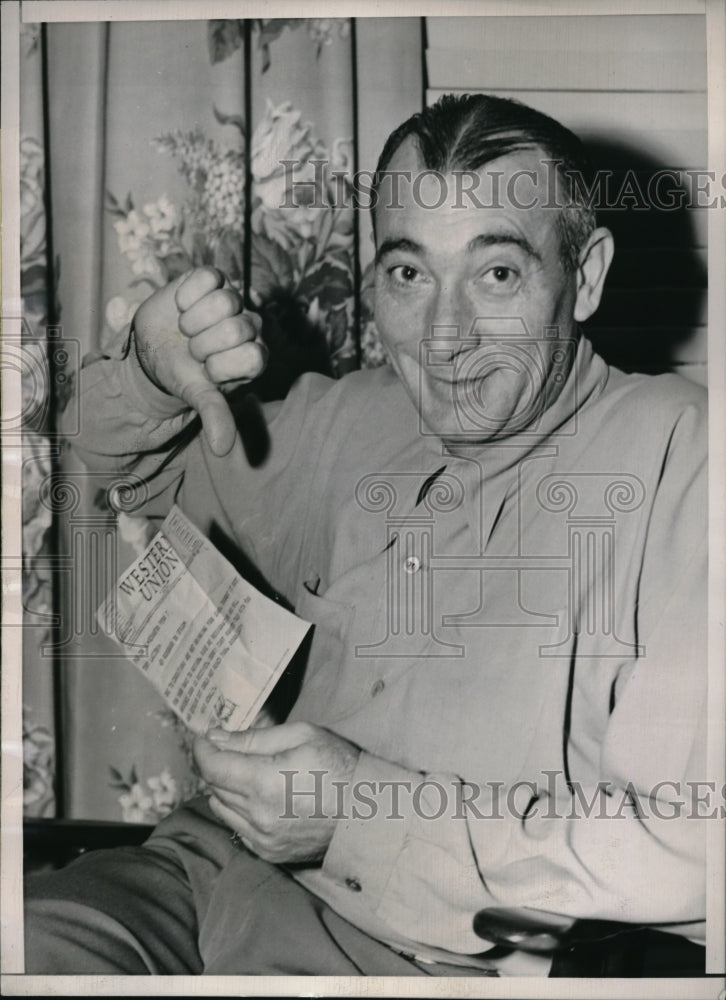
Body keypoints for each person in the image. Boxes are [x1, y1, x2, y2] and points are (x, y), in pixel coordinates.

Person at [25, 94, 708, 978]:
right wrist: (153, 380)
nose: (445, 338)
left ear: (585, 277)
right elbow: (133, 479)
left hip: (419, 963)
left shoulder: (684, 460)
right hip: (194, 881)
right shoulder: (353, 418)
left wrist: (356, 813)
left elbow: (692, 847)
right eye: (409, 275)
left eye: (497, 273)